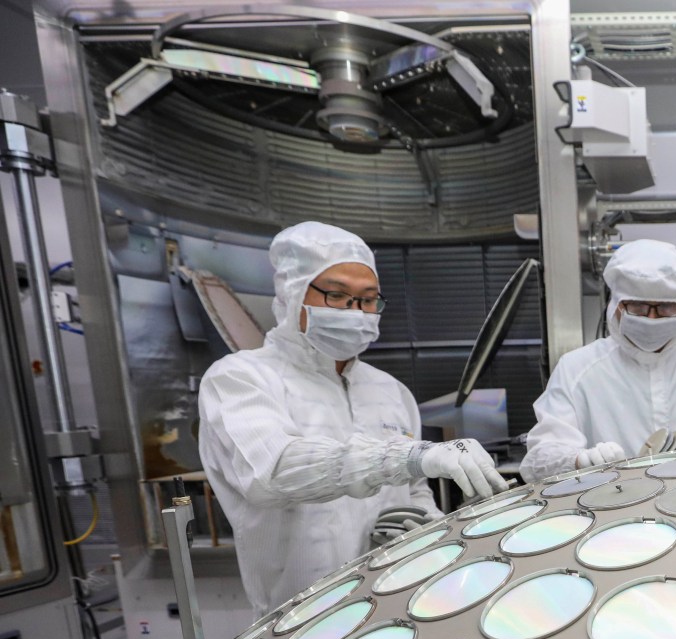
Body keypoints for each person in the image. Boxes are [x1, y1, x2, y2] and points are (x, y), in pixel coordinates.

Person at [199, 221, 505, 618]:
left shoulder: (390, 390)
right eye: (337, 295)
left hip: (395, 604)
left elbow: (414, 490)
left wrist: (425, 526)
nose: (355, 312)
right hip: (298, 615)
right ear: (293, 294)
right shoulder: (240, 378)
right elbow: (271, 472)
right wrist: (406, 457)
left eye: (368, 300)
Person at [519, 239, 676, 482]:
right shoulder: (576, 369)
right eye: (638, 307)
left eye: (666, 308)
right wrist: (579, 461)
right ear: (616, 305)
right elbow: (538, 461)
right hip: (609, 501)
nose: (652, 318)